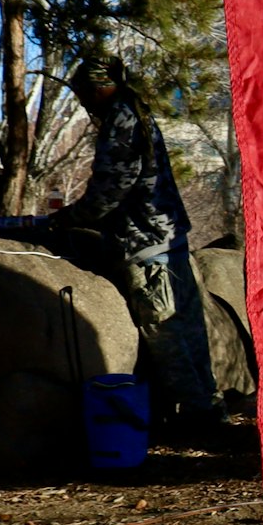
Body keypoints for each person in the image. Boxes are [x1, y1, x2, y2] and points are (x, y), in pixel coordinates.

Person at [51, 56, 228, 431]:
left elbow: (110, 189)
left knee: (164, 332)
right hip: (169, 238)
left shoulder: (120, 119)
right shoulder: (137, 112)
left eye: (83, 93)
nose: (83, 102)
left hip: (145, 244)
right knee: (190, 329)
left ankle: (194, 419)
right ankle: (209, 408)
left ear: (98, 87)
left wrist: (70, 218)